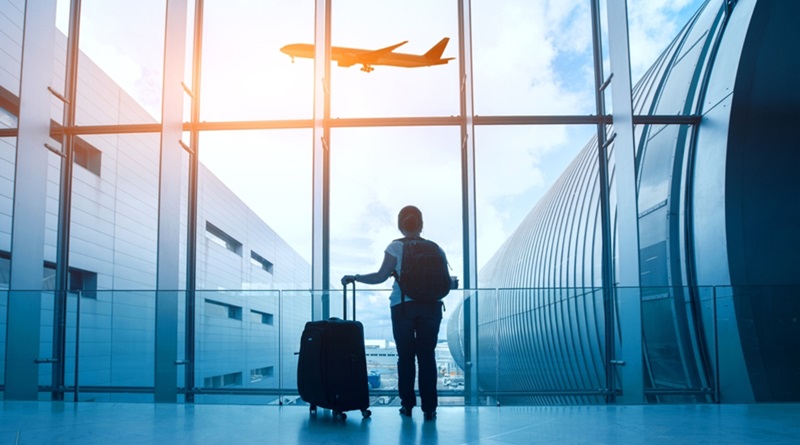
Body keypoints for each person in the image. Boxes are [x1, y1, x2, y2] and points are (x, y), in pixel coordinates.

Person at [341, 205, 445, 421]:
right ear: (421, 224)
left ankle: (407, 406)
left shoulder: (395, 247)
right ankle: (430, 409)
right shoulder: (436, 248)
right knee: (427, 358)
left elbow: (380, 276)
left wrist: (356, 277)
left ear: (400, 225)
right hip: (431, 308)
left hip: (403, 307)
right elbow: (444, 282)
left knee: (405, 358)